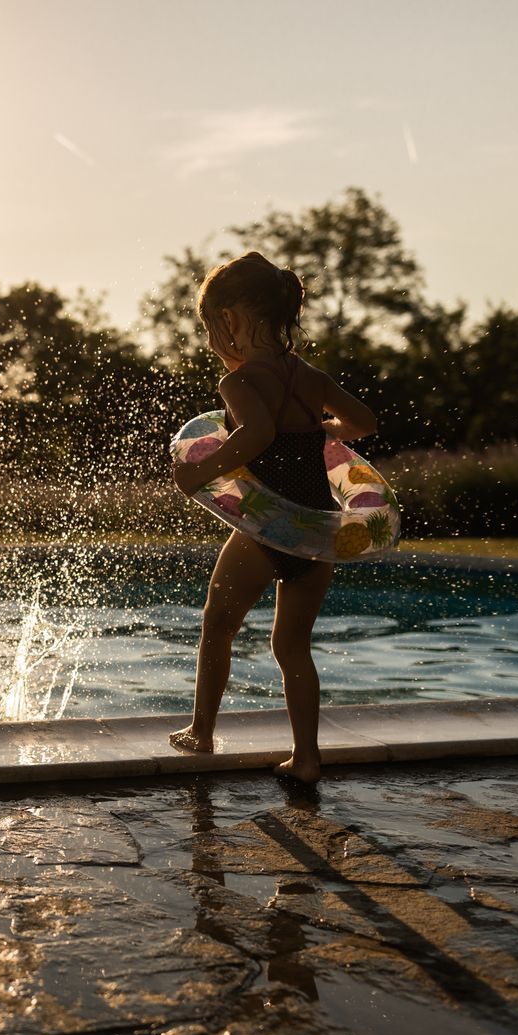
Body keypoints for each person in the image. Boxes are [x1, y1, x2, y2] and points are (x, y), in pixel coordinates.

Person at [168, 252, 376, 784]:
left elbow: (255, 434)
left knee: (218, 625)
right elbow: (364, 422)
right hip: (318, 529)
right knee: (292, 646)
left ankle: (201, 733)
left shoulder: (239, 384)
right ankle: (307, 759)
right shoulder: (311, 376)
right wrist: (322, 430)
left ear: (231, 321)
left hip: (267, 528)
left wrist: (199, 474)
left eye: (212, 326)